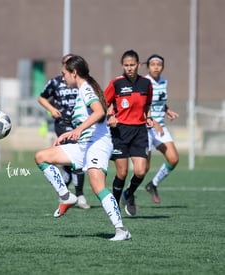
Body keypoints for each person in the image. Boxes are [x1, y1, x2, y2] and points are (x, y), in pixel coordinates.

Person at [35, 55, 131, 241]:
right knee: (41, 157)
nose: (63, 78)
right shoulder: (82, 89)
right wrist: (68, 134)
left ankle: (121, 230)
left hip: (97, 145)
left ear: (74, 72)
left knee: (98, 187)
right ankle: (66, 196)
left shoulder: (86, 89)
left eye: (65, 74)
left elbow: (99, 112)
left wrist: (77, 130)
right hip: (83, 146)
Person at [104, 49, 153, 217]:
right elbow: (103, 103)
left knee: (141, 171)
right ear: (122, 65)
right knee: (122, 173)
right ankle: (114, 206)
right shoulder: (116, 83)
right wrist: (110, 116)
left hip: (140, 131)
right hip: (120, 131)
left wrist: (149, 118)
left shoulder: (146, 84)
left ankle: (128, 193)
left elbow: (147, 105)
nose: (129, 68)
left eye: (132, 65)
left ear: (138, 65)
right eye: (126, 65)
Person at [38, 54, 90, 210]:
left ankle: (72, 190)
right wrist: (52, 109)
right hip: (62, 125)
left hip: (79, 125)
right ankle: (77, 194)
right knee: (75, 159)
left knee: (74, 161)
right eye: (66, 63)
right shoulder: (55, 82)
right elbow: (41, 98)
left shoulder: (83, 83)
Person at [143, 54, 179, 204]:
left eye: (159, 64)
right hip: (146, 127)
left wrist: (167, 110)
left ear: (162, 67)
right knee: (143, 168)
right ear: (148, 67)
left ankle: (153, 184)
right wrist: (153, 121)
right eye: (153, 64)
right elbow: (141, 105)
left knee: (173, 159)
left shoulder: (164, 82)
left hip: (160, 127)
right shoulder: (144, 82)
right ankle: (127, 194)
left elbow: (159, 101)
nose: (156, 67)